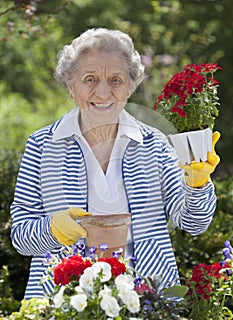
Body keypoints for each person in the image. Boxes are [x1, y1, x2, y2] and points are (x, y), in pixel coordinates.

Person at [10, 28, 220, 300]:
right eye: (90, 79)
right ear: (71, 86)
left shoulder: (154, 144)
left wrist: (197, 185)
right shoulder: (42, 145)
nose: (103, 91)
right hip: (62, 309)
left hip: (149, 306)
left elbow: (194, 223)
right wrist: (52, 229)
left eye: (116, 79)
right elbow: (21, 237)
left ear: (130, 86)